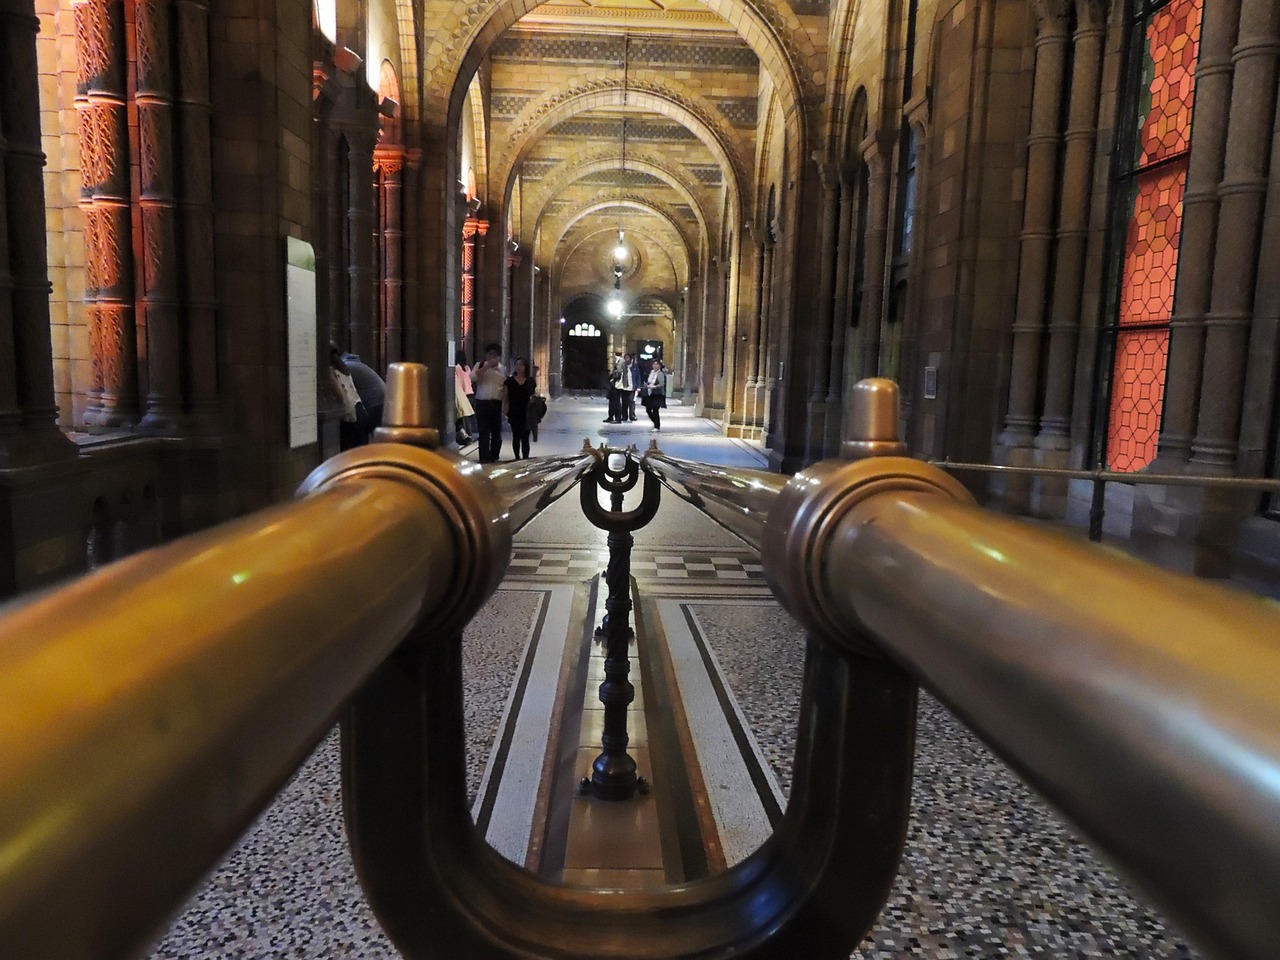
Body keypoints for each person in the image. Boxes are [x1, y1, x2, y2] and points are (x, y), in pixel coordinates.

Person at [470, 343, 506, 463]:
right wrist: (486, 367)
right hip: (482, 403)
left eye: (494, 355)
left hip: (496, 404)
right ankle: (484, 458)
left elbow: (505, 387)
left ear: (499, 357)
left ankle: (494, 456)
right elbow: (473, 378)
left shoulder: (503, 369)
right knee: (483, 432)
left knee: (496, 433)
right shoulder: (479, 366)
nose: (492, 357)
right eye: (489, 354)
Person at [341, 351, 386, 442]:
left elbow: (346, 391)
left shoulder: (346, 367)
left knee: (366, 432)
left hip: (374, 401)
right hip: (381, 398)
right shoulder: (354, 364)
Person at [329, 345, 367, 451]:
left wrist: (341, 410)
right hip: (360, 409)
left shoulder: (331, 370)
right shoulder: (343, 367)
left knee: (347, 452)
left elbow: (340, 393)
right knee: (359, 451)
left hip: (350, 413)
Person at [504, 357, 537, 460]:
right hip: (514, 411)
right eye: (517, 364)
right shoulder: (509, 381)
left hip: (527, 412)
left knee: (525, 437)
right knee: (516, 436)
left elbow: (534, 394)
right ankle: (517, 457)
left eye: (521, 365)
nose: (518, 367)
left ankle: (525, 458)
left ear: (525, 367)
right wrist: (505, 409)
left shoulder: (530, 381)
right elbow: (506, 396)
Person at [454, 351, 477, 444]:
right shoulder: (467, 368)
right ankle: (469, 434)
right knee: (466, 416)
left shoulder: (456, 368)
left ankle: (466, 435)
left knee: (461, 416)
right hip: (470, 392)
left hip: (462, 393)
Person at [642, 359, 669, 431]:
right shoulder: (651, 372)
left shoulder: (660, 374)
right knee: (648, 410)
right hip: (650, 393)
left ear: (659, 366)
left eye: (657, 364)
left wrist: (655, 386)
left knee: (655, 410)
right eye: (654, 364)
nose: (655, 366)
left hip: (657, 394)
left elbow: (661, 384)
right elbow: (649, 381)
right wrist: (647, 385)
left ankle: (657, 426)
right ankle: (655, 423)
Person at [619, 352, 640, 421]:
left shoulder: (635, 367)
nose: (626, 359)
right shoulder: (622, 366)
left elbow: (638, 377)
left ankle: (632, 416)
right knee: (624, 402)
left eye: (627, 358)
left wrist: (638, 386)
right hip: (623, 387)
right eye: (625, 358)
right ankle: (624, 416)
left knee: (631, 402)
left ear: (631, 359)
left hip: (632, 388)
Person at [604, 351, 624, 423]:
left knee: (616, 402)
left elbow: (619, 373)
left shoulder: (621, 362)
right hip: (614, 384)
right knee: (612, 401)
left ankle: (617, 418)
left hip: (617, 384)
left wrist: (613, 378)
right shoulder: (618, 361)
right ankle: (611, 416)